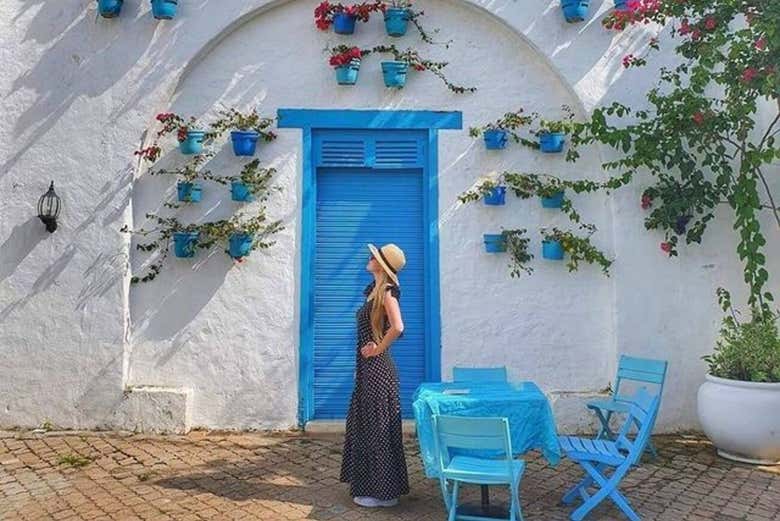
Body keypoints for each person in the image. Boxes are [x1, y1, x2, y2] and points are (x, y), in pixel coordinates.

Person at [340, 243, 410, 508]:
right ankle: (377, 489)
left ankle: (383, 493)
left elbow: (398, 327)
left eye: (374, 257)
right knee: (370, 427)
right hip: (370, 370)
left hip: (378, 369)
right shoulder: (374, 293)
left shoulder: (387, 292)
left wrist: (377, 348)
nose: (369, 259)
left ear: (382, 265)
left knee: (378, 429)